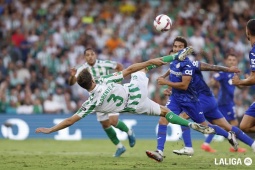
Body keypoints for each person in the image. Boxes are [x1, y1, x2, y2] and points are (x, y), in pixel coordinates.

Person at [36, 48, 215, 155]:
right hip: (135, 90)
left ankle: (191, 126)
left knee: (164, 112)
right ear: (92, 77)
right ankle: (175, 57)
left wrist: (50, 129)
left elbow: (70, 120)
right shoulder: (105, 80)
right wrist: (145, 64)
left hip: (135, 107)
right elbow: (128, 69)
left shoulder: (90, 103)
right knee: (143, 68)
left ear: (82, 87)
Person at [145, 36, 255, 162]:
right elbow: (173, 72)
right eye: (175, 47)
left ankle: (190, 146)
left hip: (198, 99)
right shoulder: (174, 62)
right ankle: (159, 151)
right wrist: (168, 84)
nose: (176, 49)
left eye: (180, 47)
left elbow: (209, 67)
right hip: (184, 98)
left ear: (185, 50)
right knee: (163, 120)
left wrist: (228, 70)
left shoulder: (190, 64)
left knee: (198, 124)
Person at [68, 48, 135, 157]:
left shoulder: (104, 63)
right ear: (85, 57)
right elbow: (71, 83)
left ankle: (129, 132)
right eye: (87, 55)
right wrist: (72, 76)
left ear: (95, 55)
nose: (90, 56)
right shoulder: (81, 69)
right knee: (105, 124)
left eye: (92, 54)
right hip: (97, 99)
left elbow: (119, 66)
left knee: (113, 121)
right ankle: (120, 147)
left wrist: (118, 82)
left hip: (110, 95)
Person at [203, 54, 246, 153]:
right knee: (233, 124)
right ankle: (234, 147)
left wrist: (241, 83)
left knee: (224, 125)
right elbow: (213, 81)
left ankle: (206, 144)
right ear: (226, 62)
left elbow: (239, 87)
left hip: (228, 102)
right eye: (229, 60)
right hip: (224, 103)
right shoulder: (223, 72)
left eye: (233, 60)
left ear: (236, 62)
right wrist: (204, 88)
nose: (231, 62)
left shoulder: (235, 74)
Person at [232, 19, 255, 133]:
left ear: (248, 31)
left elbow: (254, 79)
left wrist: (239, 82)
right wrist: (248, 78)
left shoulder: (254, 51)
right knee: (245, 125)